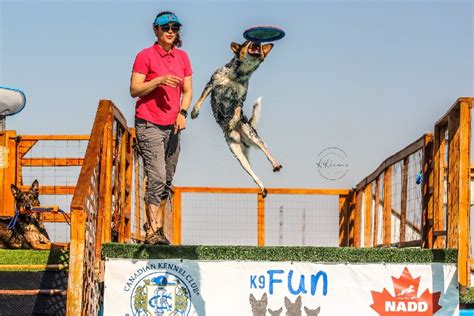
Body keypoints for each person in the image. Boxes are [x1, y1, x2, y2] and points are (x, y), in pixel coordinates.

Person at [130, 11, 192, 245]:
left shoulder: (183, 57)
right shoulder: (145, 56)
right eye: (165, 27)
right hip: (148, 123)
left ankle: (155, 226)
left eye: (174, 28)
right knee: (156, 176)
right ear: (156, 30)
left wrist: (182, 113)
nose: (170, 31)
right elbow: (135, 89)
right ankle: (153, 230)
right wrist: (159, 80)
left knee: (167, 179)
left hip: (173, 126)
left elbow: (187, 91)